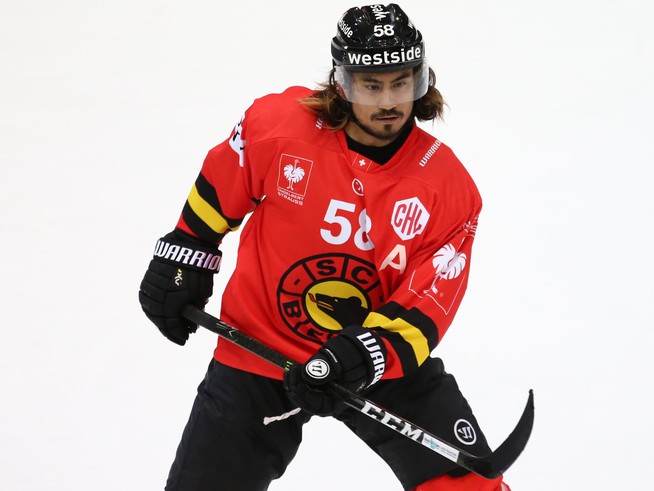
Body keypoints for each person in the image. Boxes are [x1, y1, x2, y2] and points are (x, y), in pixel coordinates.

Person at [138, 4, 513, 491]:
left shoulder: (448, 188)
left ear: (422, 81)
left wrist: (365, 353)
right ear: (340, 83)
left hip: (375, 356)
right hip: (260, 345)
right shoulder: (277, 127)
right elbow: (223, 183)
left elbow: (431, 297)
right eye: (370, 85)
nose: (388, 101)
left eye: (402, 83)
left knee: (468, 486)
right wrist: (185, 250)